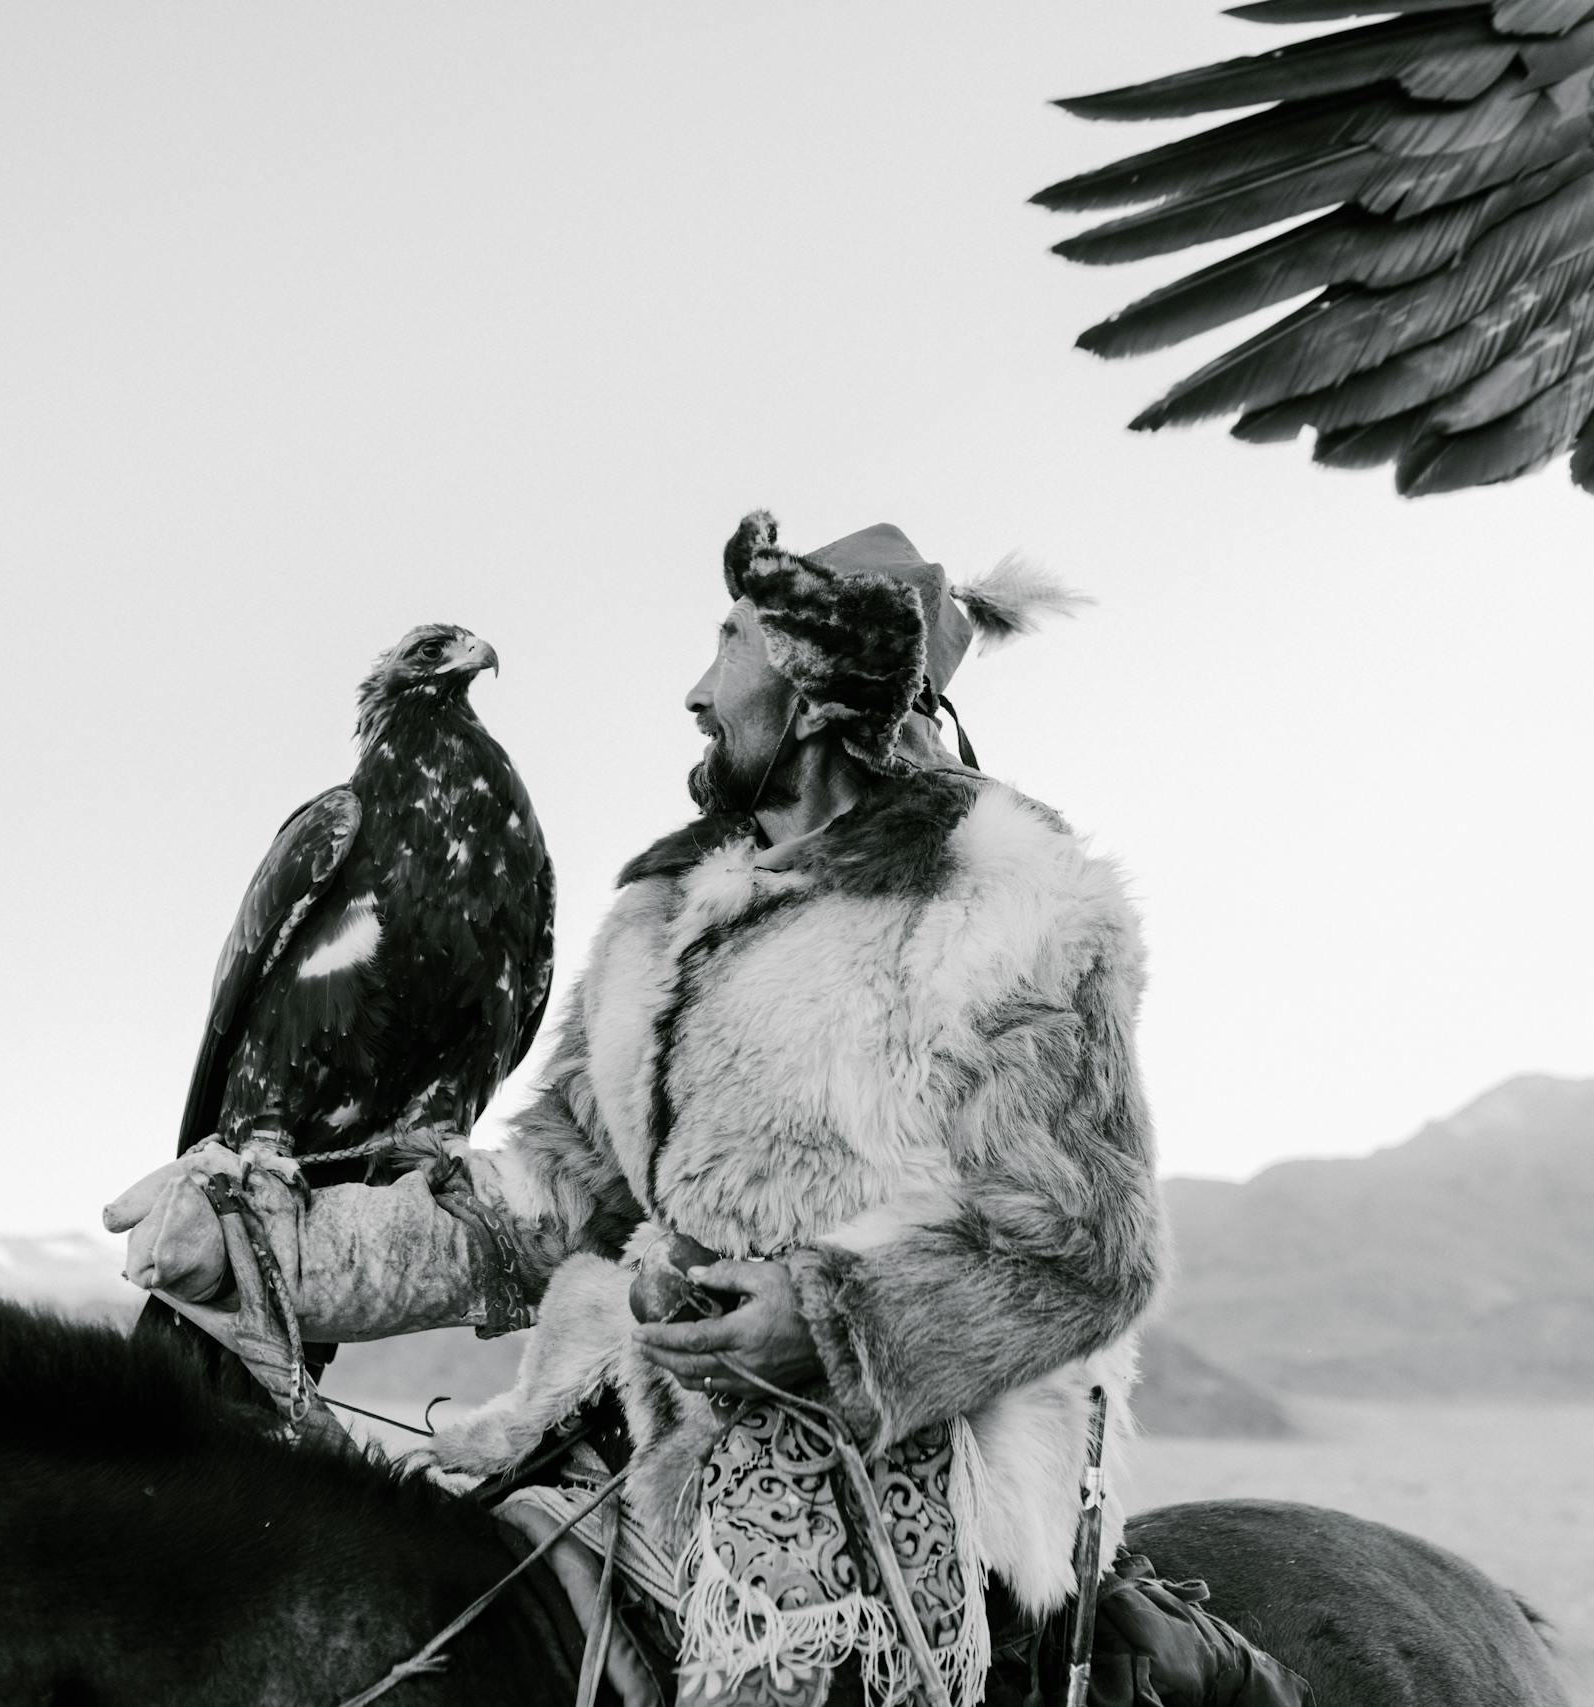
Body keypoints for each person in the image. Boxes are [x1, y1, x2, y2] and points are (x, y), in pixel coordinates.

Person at [107, 511, 1163, 1707]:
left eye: (729, 644)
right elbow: (546, 1204)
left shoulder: (1008, 909)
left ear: (815, 693)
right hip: (622, 1445)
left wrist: (829, 1320)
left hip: (884, 1502)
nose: (693, 692)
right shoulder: (658, 925)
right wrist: (268, 1256)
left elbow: (1087, 1254)